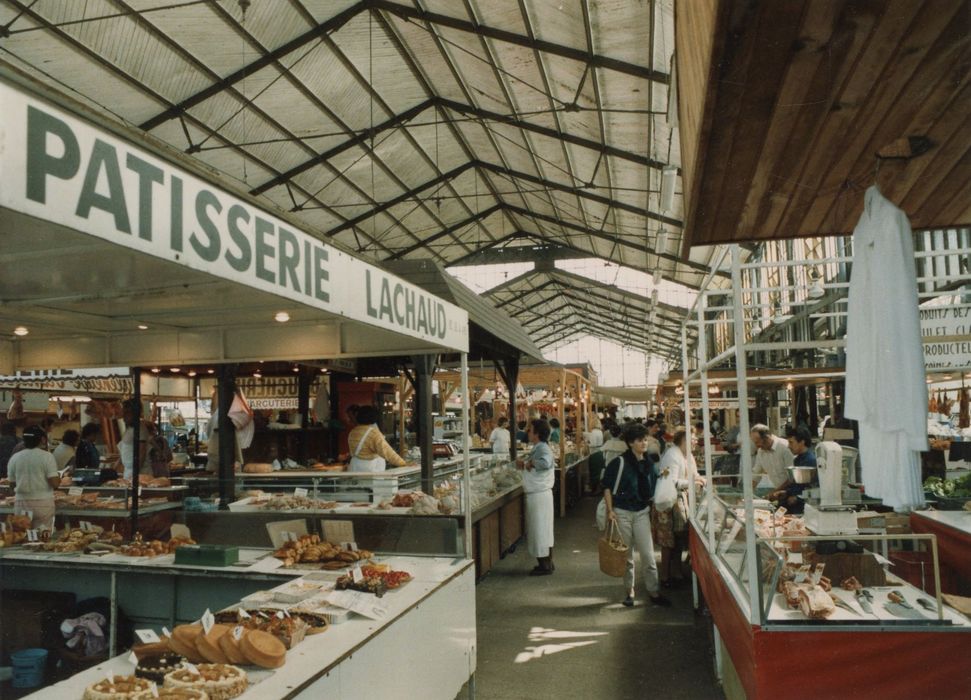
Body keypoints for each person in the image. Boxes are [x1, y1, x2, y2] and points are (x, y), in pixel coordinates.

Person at [601, 423, 670, 608]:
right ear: (631, 443)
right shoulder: (620, 462)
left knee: (648, 554)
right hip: (622, 512)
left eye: (645, 439)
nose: (644, 443)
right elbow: (606, 486)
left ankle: (653, 591)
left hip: (641, 513)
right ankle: (629, 592)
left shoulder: (648, 463)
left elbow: (654, 486)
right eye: (640, 440)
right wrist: (610, 511)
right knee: (627, 555)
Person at [654, 429, 705, 588]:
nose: (696, 440)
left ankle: (676, 572)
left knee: (679, 537)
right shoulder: (672, 455)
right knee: (668, 541)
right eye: (693, 438)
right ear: (684, 440)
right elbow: (672, 481)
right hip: (669, 502)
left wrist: (699, 479)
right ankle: (664, 576)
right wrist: (693, 482)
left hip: (681, 501)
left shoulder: (688, 455)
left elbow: (694, 474)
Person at [516, 419, 555, 575]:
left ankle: (545, 565)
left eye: (530, 430)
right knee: (543, 530)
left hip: (539, 497)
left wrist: (528, 464)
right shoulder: (540, 447)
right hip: (540, 496)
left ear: (537, 433)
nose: (528, 433)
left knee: (540, 530)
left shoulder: (543, 448)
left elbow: (545, 463)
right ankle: (547, 563)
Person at [7, 425, 59, 530]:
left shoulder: (15, 457)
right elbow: (55, 483)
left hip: (22, 503)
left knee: (22, 535)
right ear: (43, 439)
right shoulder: (47, 456)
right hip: (43, 504)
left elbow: (12, 484)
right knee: (43, 537)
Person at [770, 426, 817, 513]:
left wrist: (798, 498)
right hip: (792, 505)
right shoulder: (797, 459)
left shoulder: (811, 460)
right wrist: (786, 492)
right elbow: (795, 484)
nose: (788, 446)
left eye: (791, 442)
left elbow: (812, 487)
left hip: (803, 508)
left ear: (802, 442)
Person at [348, 405, 407, 472]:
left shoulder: (352, 432)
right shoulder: (373, 433)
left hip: (354, 467)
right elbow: (387, 452)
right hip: (368, 470)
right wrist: (403, 463)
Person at [750, 423, 794, 492]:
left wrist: (774, 493)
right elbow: (756, 475)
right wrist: (747, 495)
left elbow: (792, 477)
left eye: (757, 442)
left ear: (766, 438)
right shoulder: (761, 452)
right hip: (779, 493)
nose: (756, 446)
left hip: (792, 492)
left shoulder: (785, 447)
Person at [119, 399, 150, 480]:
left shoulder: (140, 429)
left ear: (134, 413)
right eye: (123, 412)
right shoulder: (129, 429)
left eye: (127, 413)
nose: (123, 416)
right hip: (129, 471)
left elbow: (141, 453)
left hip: (139, 473)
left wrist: (135, 474)